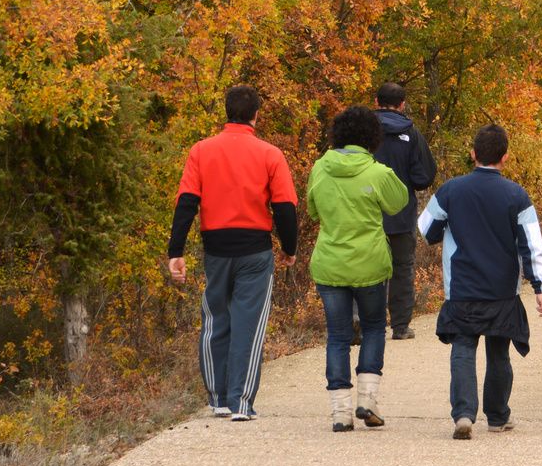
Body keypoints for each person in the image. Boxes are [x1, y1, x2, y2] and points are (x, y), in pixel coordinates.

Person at [167, 85, 298, 422]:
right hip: (255, 249)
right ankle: (241, 402)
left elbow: (186, 203)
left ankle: (218, 398)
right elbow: (284, 207)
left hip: (216, 249)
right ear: (256, 115)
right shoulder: (270, 154)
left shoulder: (201, 150)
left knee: (215, 320)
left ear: (226, 111)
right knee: (249, 326)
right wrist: (289, 248)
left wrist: (176, 251)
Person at [418, 124, 542, 440]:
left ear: (473, 154)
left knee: (462, 347)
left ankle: (464, 414)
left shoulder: (450, 190)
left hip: (462, 287)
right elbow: (531, 244)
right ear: (505, 157)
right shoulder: (516, 195)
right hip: (502, 291)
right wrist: (539, 286)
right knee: (499, 351)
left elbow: (426, 230)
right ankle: (497, 415)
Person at [305, 106, 410, 432]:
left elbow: (311, 211)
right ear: (372, 138)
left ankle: (340, 413)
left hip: (330, 263)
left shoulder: (320, 169)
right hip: (370, 265)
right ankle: (367, 399)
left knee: (337, 336)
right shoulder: (376, 172)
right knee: (375, 327)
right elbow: (399, 201)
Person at [373, 83, 437, 340]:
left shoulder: (363, 131)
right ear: (402, 104)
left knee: (367, 268)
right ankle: (400, 326)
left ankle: (369, 324)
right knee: (402, 267)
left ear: (376, 101)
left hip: (368, 213)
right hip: (401, 213)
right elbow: (425, 175)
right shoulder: (412, 133)